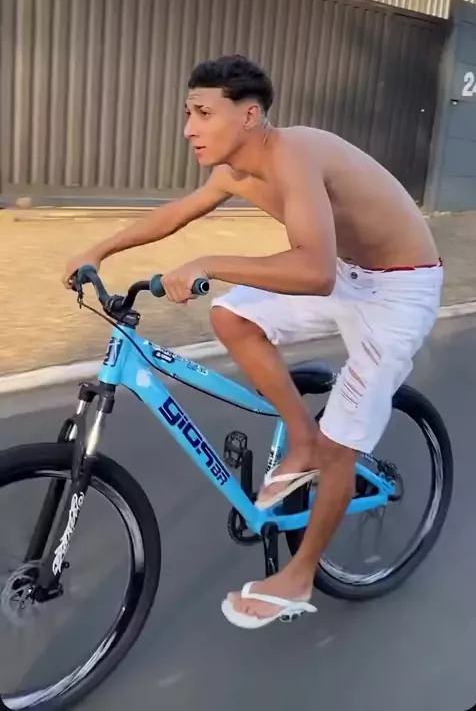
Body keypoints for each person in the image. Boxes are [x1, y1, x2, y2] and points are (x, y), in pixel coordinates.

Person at [62, 54, 443, 630]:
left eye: (203, 113)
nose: (188, 128)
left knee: (342, 446)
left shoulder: (294, 154)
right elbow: (177, 213)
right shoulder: (232, 171)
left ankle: (300, 574)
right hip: (350, 273)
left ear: (248, 115)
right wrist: (98, 251)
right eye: (187, 112)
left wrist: (210, 262)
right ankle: (301, 439)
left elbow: (314, 271)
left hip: (400, 289)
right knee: (233, 315)